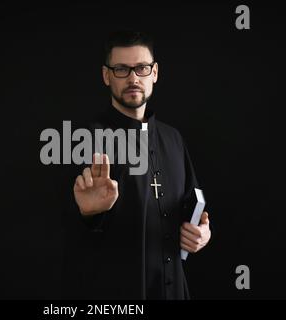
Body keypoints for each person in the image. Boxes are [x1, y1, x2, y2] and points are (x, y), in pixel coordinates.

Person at [61, 31, 211, 300]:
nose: (133, 78)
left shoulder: (173, 138)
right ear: (106, 76)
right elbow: (61, 234)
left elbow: (193, 207)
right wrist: (88, 214)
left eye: (141, 68)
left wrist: (202, 233)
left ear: (154, 73)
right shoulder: (83, 141)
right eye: (121, 69)